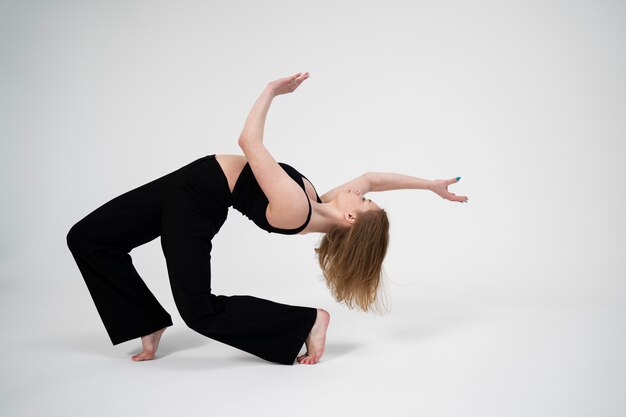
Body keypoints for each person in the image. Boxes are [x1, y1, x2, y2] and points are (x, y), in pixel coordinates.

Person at [66, 71, 468, 366]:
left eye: (364, 202)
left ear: (349, 218)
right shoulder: (322, 200)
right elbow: (374, 177)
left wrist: (271, 91)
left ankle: (309, 321)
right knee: (88, 238)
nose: (362, 192)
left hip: (196, 203)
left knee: (199, 311)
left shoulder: (296, 206)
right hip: (187, 180)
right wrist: (428, 185)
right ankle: (146, 319)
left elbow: (248, 142)